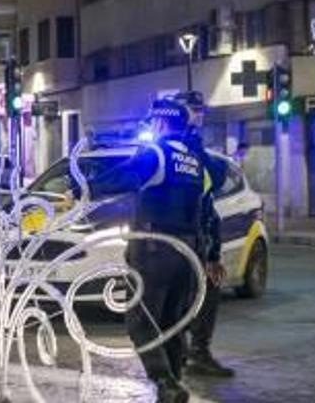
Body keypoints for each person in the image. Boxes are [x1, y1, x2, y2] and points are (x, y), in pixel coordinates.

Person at [89, 98, 211, 403]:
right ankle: (173, 384)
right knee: (172, 323)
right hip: (189, 253)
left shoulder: (157, 152)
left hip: (155, 250)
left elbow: (120, 178)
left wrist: (80, 187)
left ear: (160, 123)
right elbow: (207, 206)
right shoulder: (196, 161)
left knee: (141, 320)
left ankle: (165, 381)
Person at [171, 91, 235, 379]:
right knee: (180, 298)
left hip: (194, 237)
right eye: (192, 110)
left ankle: (195, 353)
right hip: (171, 239)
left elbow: (208, 200)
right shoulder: (178, 148)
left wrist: (212, 252)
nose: (198, 115)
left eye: (200, 110)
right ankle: (182, 354)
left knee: (205, 291)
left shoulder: (196, 149)